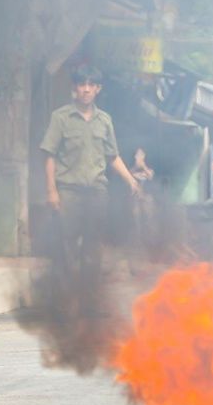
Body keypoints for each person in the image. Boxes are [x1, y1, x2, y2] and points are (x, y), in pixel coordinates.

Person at [40, 65, 140, 279]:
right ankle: (65, 304)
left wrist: (130, 180)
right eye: (81, 84)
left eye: (91, 85)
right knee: (66, 246)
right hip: (68, 192)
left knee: (93, 247)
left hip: (96, 192)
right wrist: (51, 191)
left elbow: (112, 156)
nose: (86, 89)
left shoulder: (104, 120)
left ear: (98, 89)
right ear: (75, 88)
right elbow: (49, 155)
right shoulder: (61, 117)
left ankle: (89, 302)